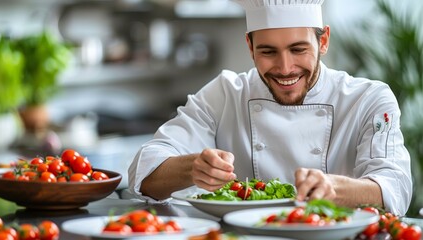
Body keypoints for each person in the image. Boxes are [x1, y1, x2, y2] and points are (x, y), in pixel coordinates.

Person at [128, 0, 412, 216]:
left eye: (298, 49)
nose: (285, 68)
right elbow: (144, 170)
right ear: (250, 46)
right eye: (268, 52)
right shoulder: (225, 93)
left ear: (323, 41)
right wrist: (192, 168)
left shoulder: (368, 99)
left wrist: (333, 189)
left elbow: (394, 186)